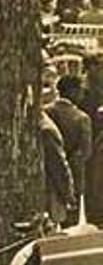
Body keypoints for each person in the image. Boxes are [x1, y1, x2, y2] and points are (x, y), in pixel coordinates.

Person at [46, 74, 93, 224]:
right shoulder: (81, 118)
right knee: (69, 226)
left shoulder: (46, 112)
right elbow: (85, 152)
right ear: (72, 91)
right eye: (80, 90)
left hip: (47, 176)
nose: (82, 94)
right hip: (74, 176)